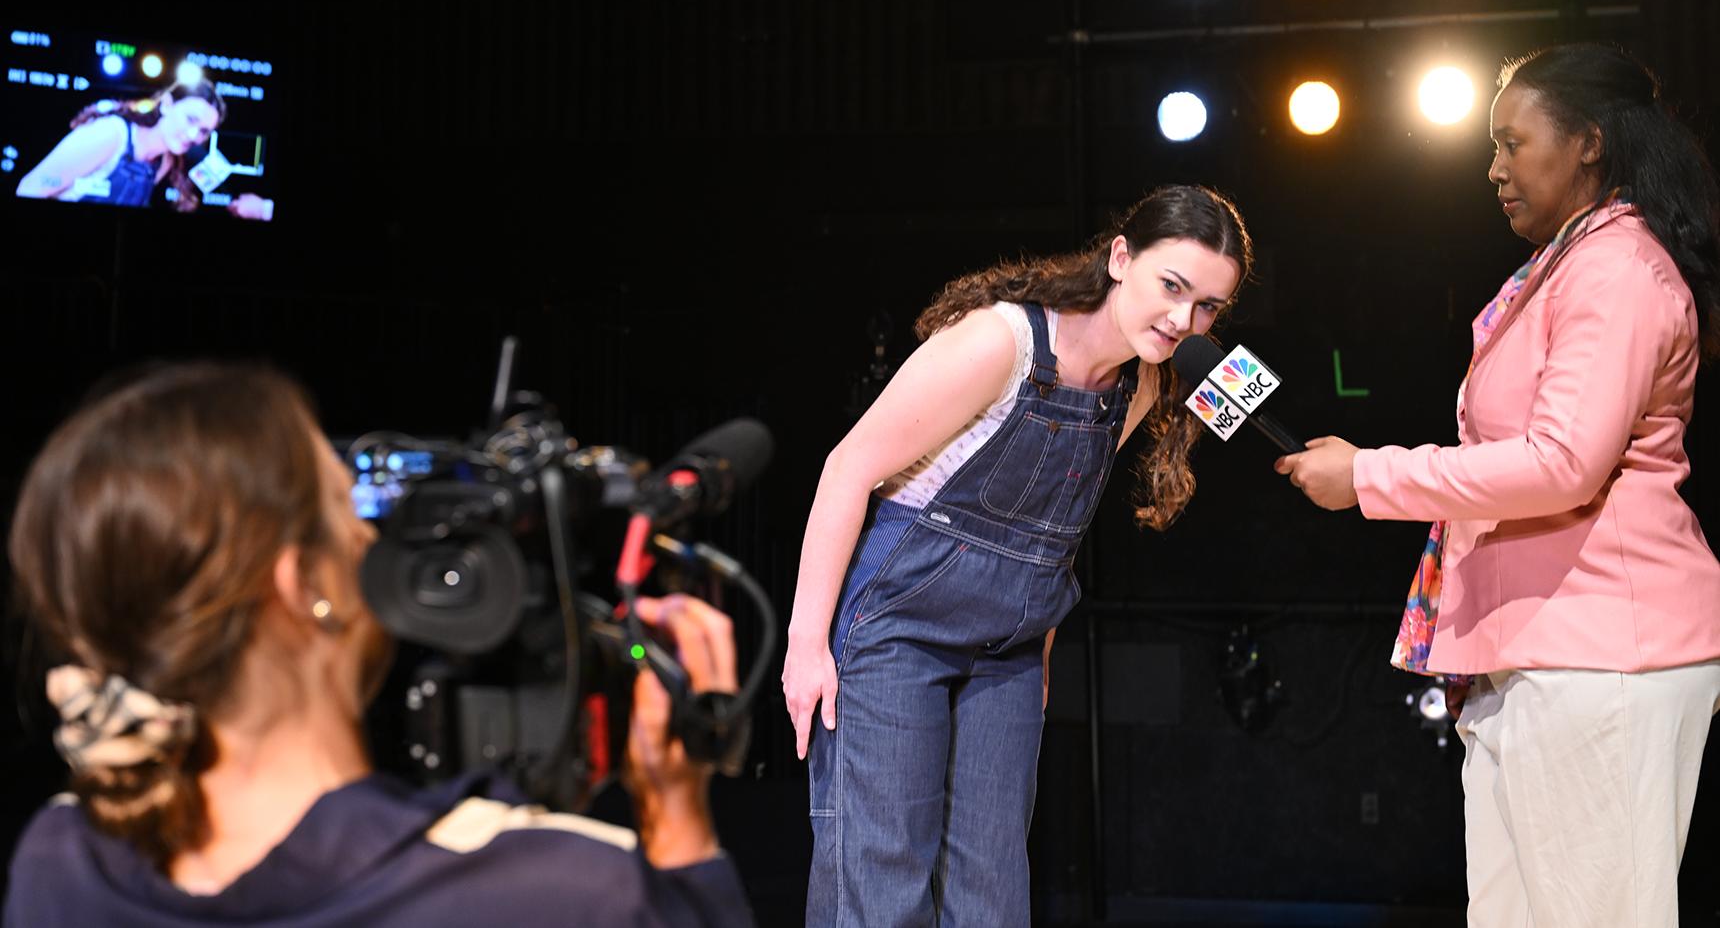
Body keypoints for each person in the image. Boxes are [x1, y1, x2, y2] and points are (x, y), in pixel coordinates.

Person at [4, 363, 754, 927]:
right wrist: (677, 817)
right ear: (304, 585)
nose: (373, 539)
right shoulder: (568, 893)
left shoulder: (59, 861)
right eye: (349, 508)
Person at [1275, 42, 1720, 927]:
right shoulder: (1563, 264)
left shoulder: (1616, 267)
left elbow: (1562, 463)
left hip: (1601, 656)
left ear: (1588, 142)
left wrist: (1368, 474)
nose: (1494, 169)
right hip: (1538, 655)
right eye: (1493, 147)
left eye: (1514, 144)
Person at [782, 184, 1253, 924]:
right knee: (882, 880)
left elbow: (1054, 528)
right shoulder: (1001, 341)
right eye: (1172, 287)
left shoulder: (1137, 385)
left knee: (991, 897)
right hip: (898, 629)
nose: (1183, 320)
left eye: (1207, 308)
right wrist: (806, 645)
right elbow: (848, 468)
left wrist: (1040, 648)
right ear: (1121, 258)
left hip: (1009, 653)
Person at [14, 79, 225, 212]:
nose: (193, 135)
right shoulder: (111, 133)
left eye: (204, 131)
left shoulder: (164, 161)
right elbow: (31, 188)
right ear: (167, 105)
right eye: (190, 119)